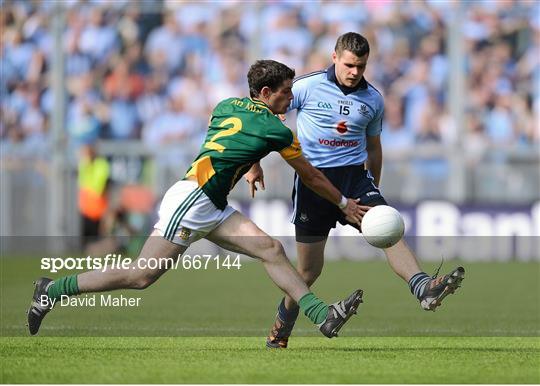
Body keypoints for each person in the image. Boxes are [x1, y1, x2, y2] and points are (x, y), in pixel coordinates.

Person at [27, 60, 365, 339]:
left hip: (211, 202)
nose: (291, 98)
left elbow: (233, 137)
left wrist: (253, 162)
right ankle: (52, 290)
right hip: (193, 201)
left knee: (270, 249)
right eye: (286, 91)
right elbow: (311, 176)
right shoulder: (278, 132)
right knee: (140, 276)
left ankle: (322, 315)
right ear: (265, 93)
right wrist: (343, 204)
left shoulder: (227, 104)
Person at [244, 33, 465, 349]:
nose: (354, 72)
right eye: (349, 65)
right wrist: (254, 163)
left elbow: (375, 148)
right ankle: (279, 332)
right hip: (313, 183)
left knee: (388, 230)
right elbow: (266, 114)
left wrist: (375, 187)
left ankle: (424, 287)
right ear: (334, 57)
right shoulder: (306, 87)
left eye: (360, 67)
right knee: (307, 271)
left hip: (355, 180)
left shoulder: (373, 99)